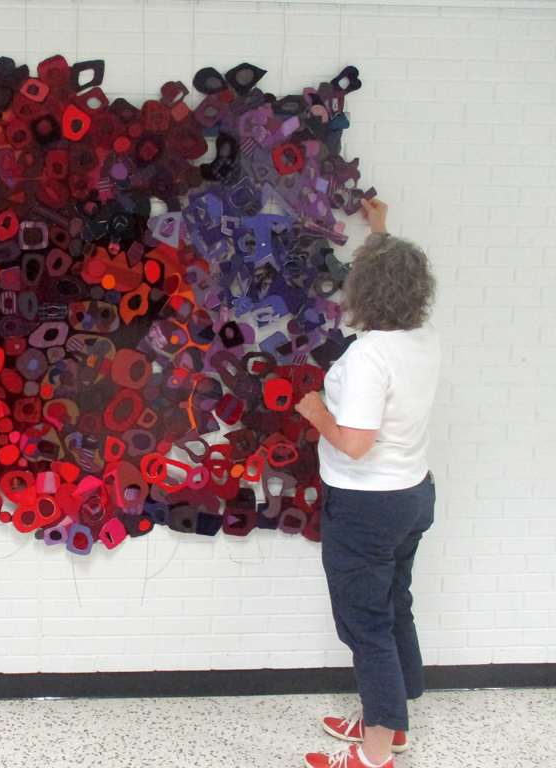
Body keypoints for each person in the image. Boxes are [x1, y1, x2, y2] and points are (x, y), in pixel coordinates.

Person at [296, 198, 440, 768]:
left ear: (366, 293)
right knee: (393, 607)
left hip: (366, 507)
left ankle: (376, 752)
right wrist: (380, 229)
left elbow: (354, 442)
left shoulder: (367, 357)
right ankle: (394, 723)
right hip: (412, 495)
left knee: (367, 624)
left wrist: (314, 412)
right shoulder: (421, 336)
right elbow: (392, 273)